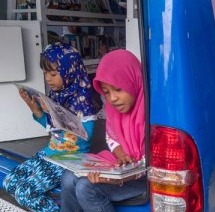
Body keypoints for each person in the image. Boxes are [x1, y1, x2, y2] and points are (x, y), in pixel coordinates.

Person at [2, 42, 96, 211]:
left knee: (26, 193)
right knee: (10, 181)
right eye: (45, 73)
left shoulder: (83, 102)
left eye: (53, 74)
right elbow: (52, 128)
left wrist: (57, 114)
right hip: (50, 154)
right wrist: (36, 110)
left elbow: (85, 136)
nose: (47, 79)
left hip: (69, 159)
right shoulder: (58, 95)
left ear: (70, 71)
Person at [61, 49, 146, 212]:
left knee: (86, 188)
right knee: (68, 177)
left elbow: (153, 161)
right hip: (124, 166)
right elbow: (112, 138)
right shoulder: (113, 109)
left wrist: (118, 179)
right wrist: (122, 156)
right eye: (106, 92)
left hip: (144, 176)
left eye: (118, 89)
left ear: (134, 80)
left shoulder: (152, 113)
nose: (113, 98)